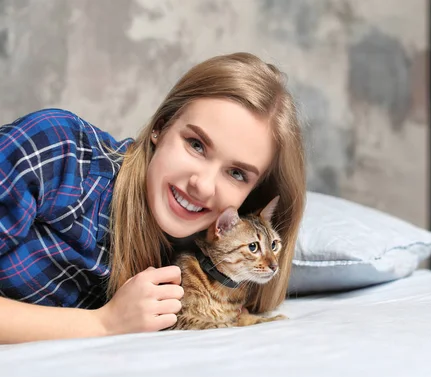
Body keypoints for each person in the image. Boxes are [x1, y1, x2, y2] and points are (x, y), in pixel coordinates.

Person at [0, 52, 306, 344]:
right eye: (196, 145)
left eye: (237, 173)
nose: (202, 186)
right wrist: (104, 323)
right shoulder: (59, 150)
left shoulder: (206, 258)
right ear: (160, 127)